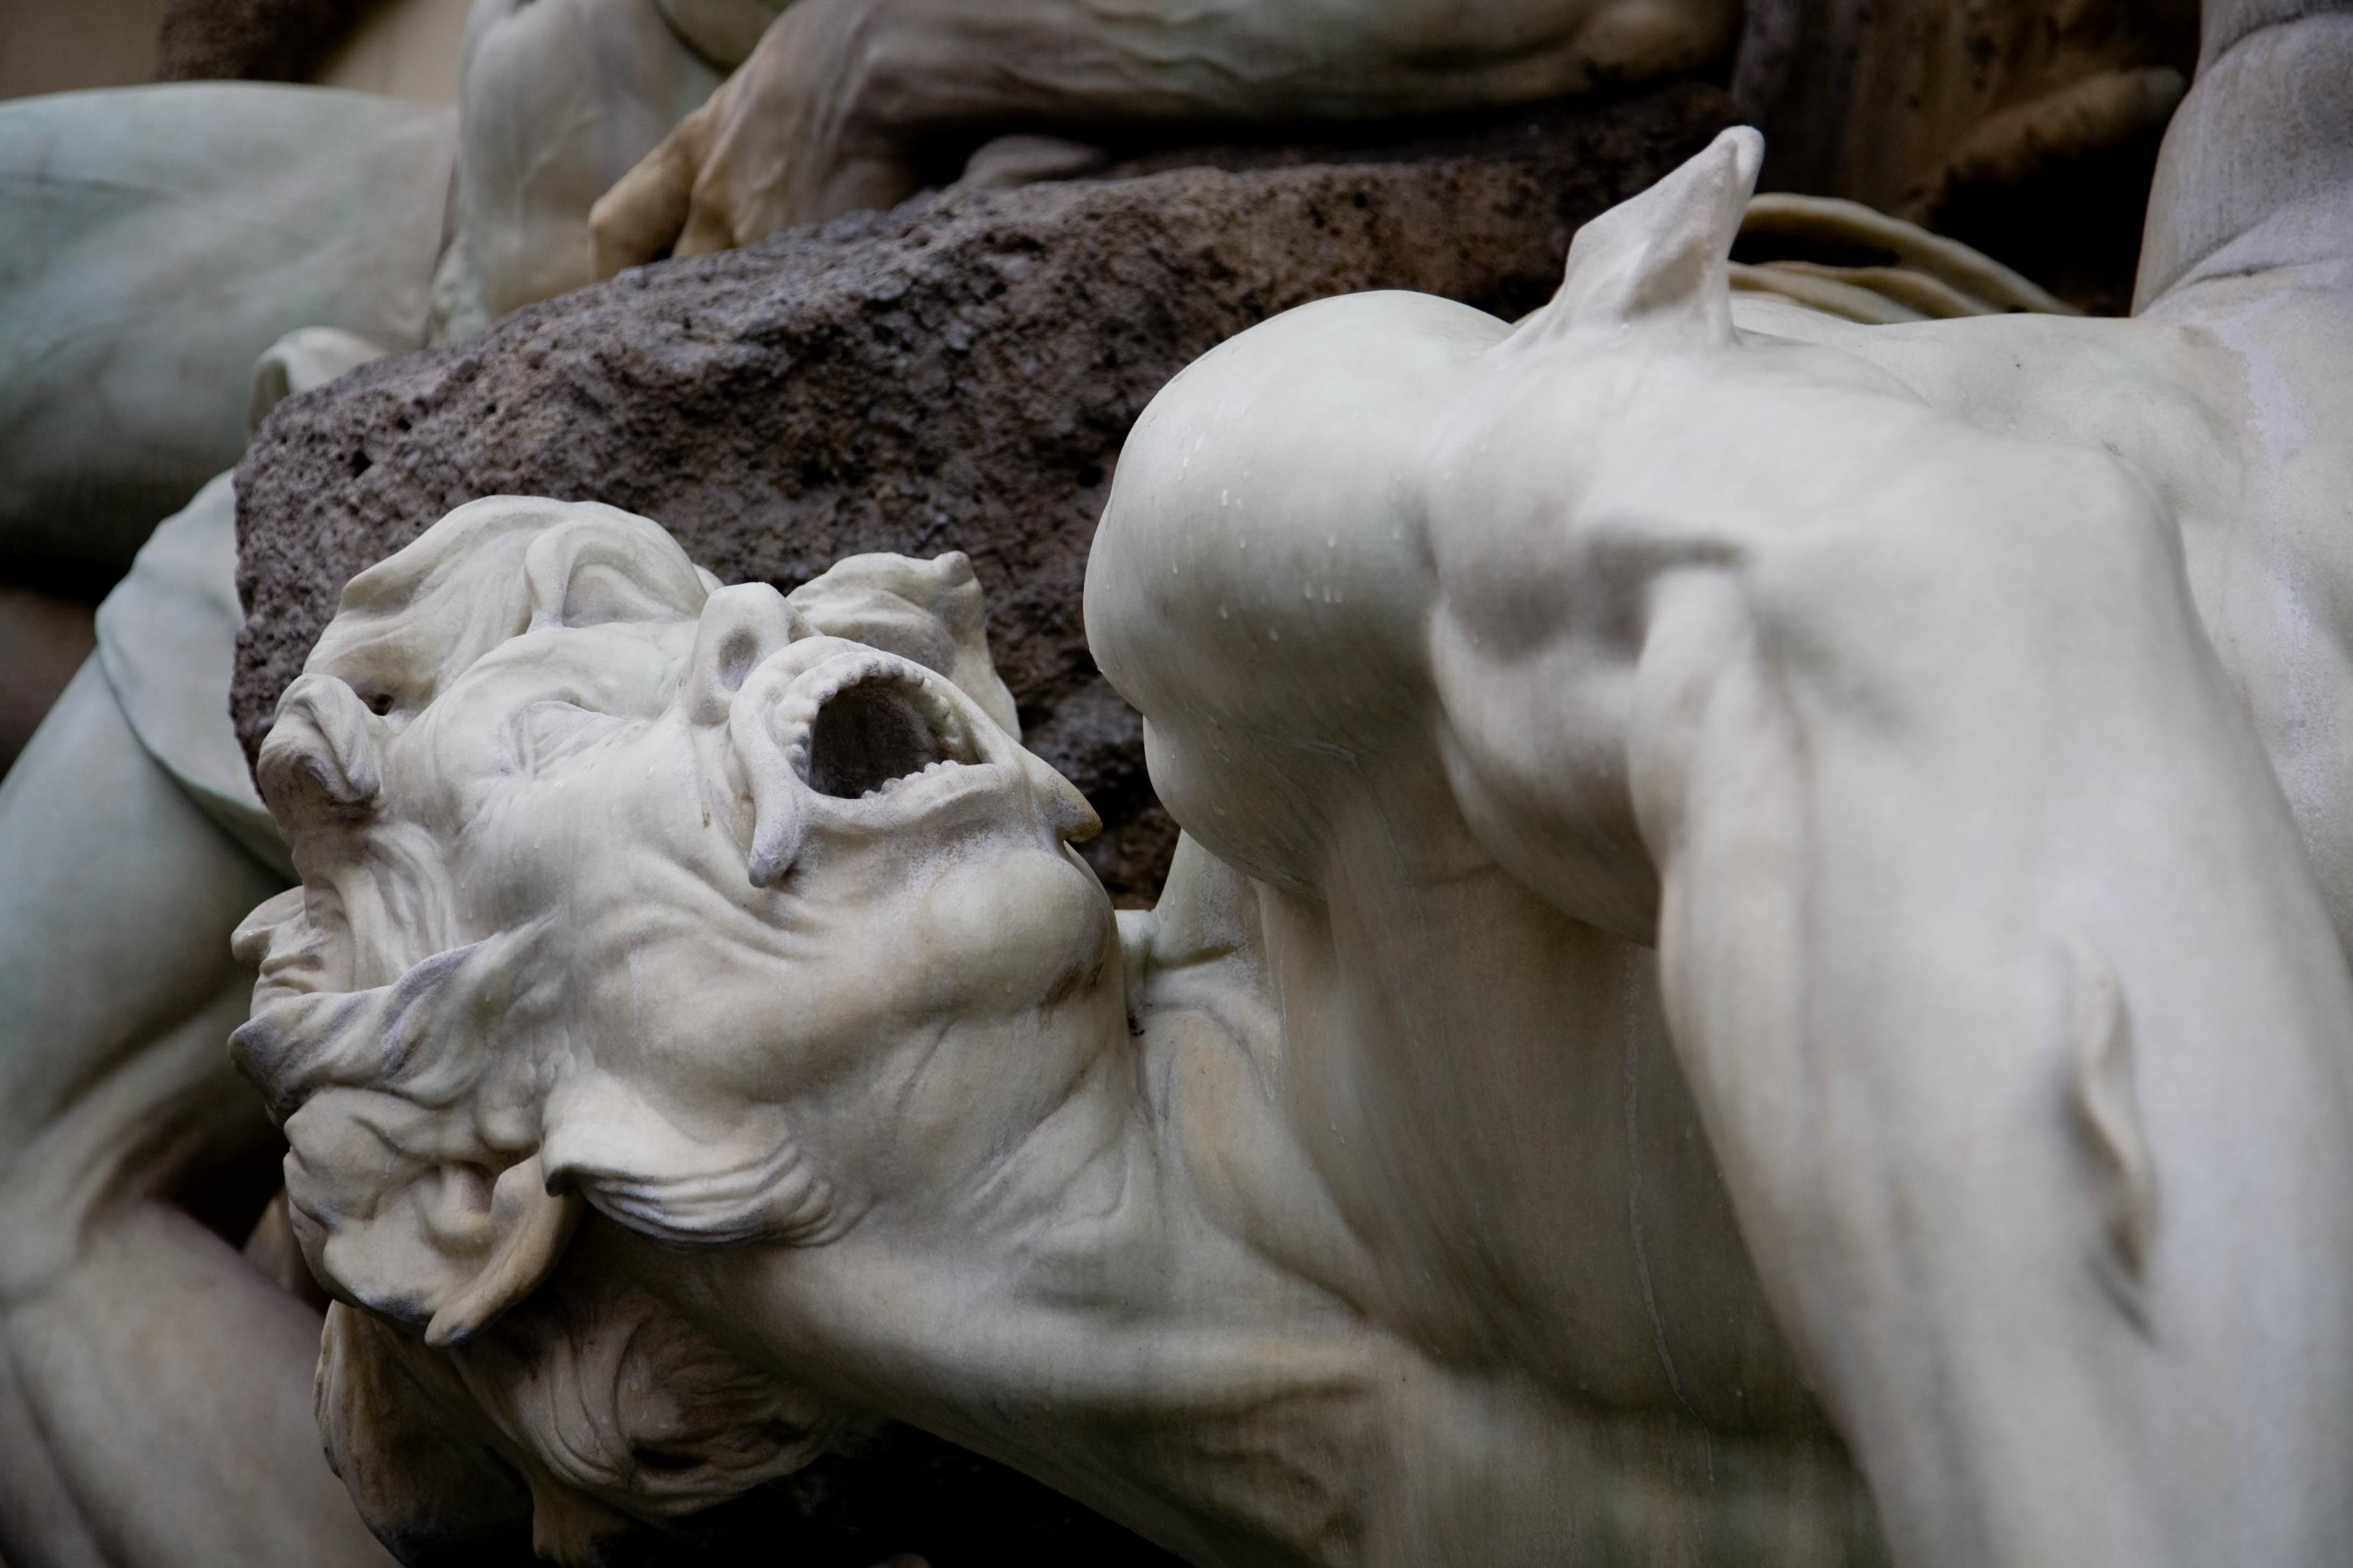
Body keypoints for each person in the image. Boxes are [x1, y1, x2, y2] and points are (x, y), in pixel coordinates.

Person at [230, 1, 2353, 1556]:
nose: (757, 630)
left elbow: (1940, 593)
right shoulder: (1362, 1480)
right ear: (489, 1184)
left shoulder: (1249, 614)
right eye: (561, 730)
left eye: (724, 603)